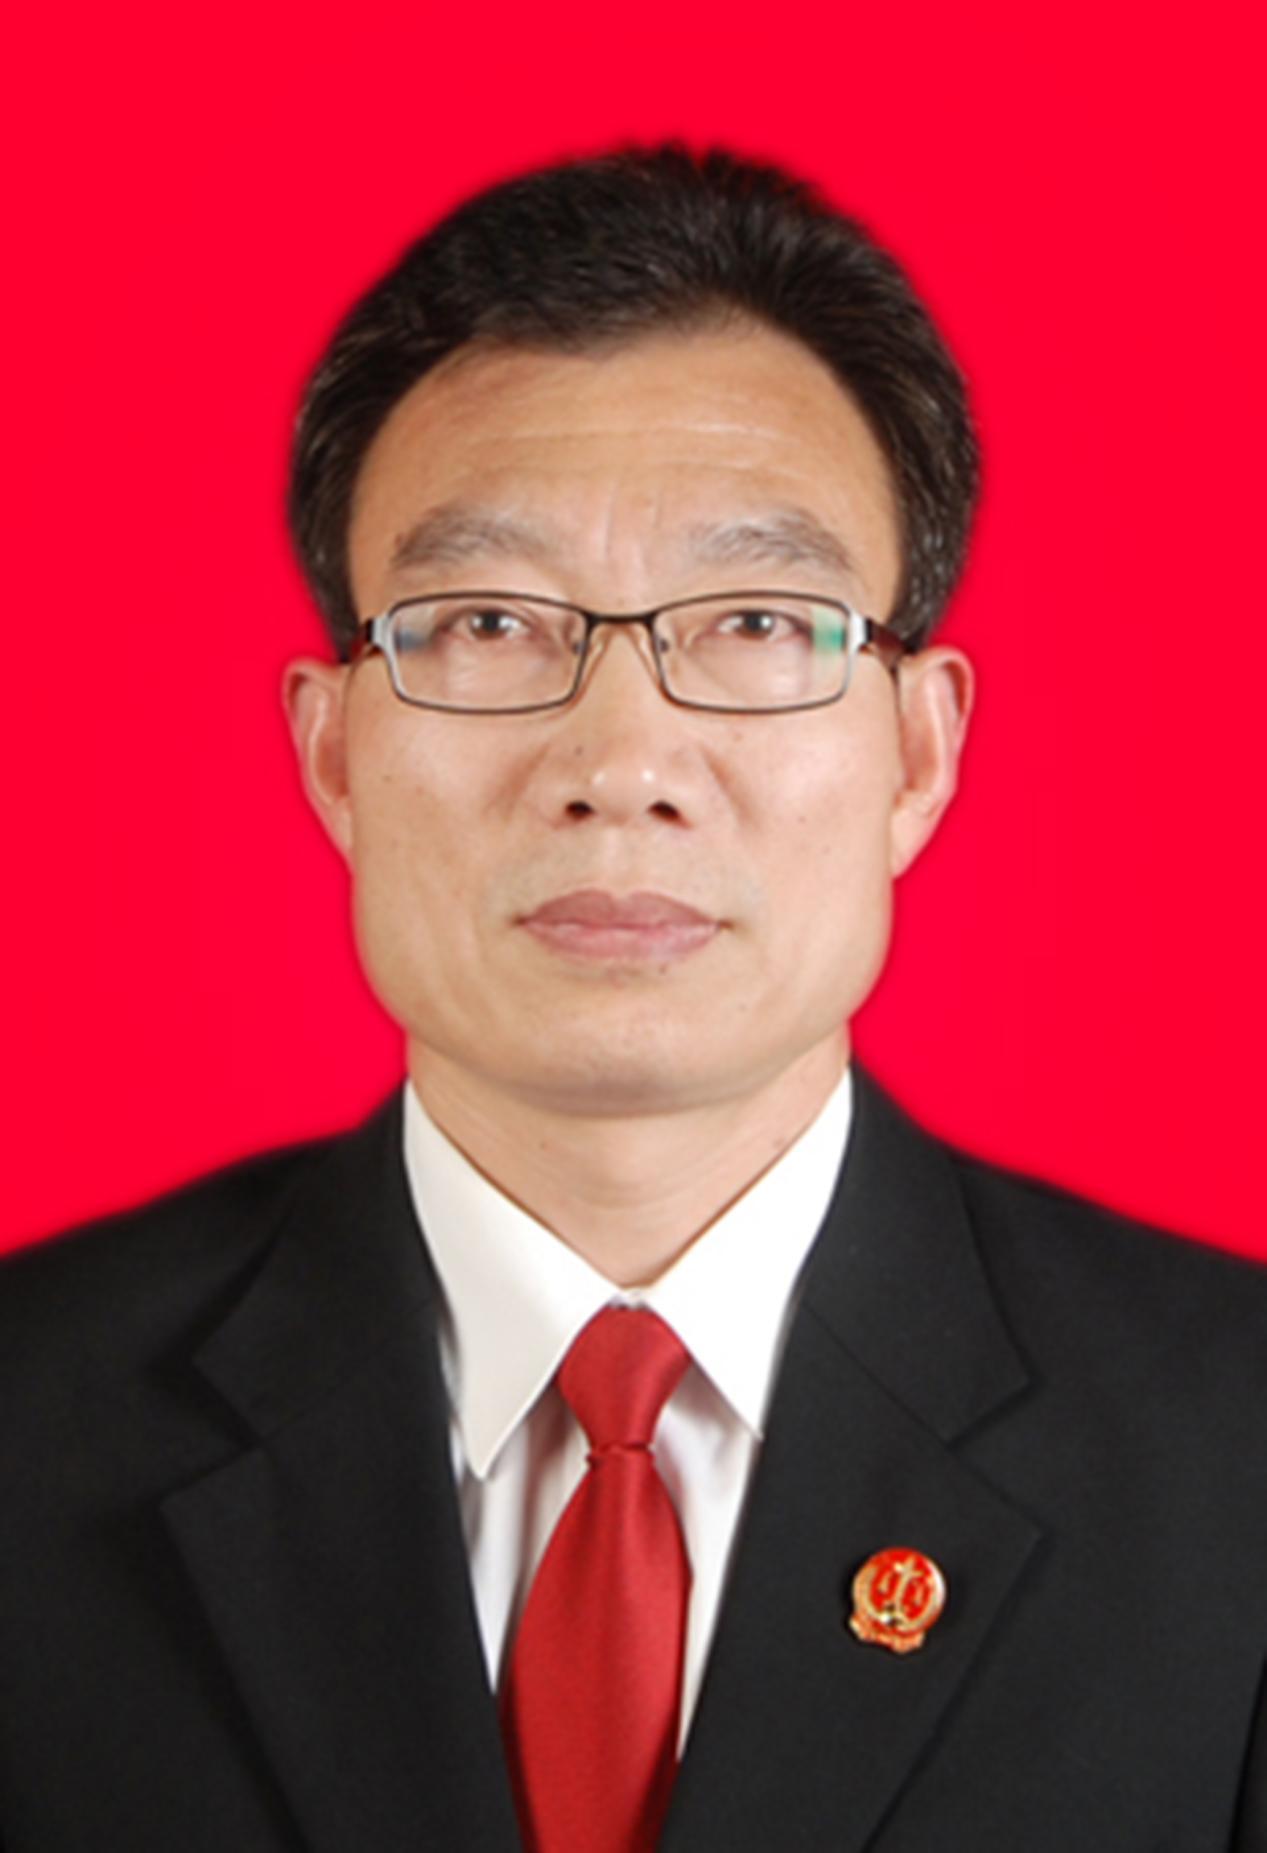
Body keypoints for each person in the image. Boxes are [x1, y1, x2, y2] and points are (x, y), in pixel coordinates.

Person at [2, 144, 1266, 1853]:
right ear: (333, 753)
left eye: (757, 620)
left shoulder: (1235, 1455)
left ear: (917, 751)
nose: (621, 762)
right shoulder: (30, 1419)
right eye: (486, 624)